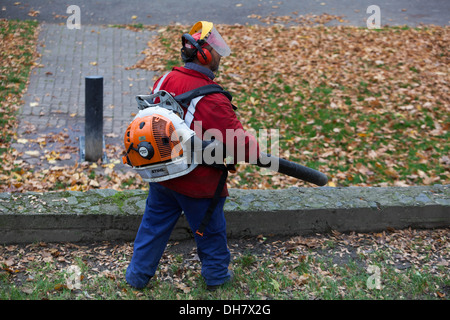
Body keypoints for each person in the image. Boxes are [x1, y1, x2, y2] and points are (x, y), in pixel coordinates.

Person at [125, 21, 259, 291]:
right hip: (199, 183)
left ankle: (136, 277)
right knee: (210, 231)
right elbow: (240, 144)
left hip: (163, 174)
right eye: (216, 50)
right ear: (205, 56)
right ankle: (217, 278)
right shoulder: (213, 99)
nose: (220, 55)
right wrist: (256, 150)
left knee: (153, 227)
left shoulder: (164, 79)